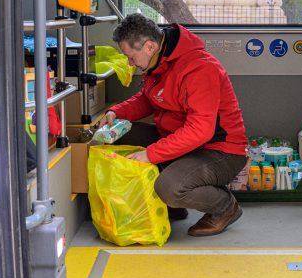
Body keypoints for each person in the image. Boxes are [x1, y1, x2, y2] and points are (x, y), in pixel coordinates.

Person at [104, 13, 247, 237]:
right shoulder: (158, 62)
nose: (129, 63)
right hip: (182, 141)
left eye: (130, 57)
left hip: (219, 151)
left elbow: (200, 130)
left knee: (170, 188)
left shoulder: (199, 69)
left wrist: (151, 154)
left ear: (150, 46)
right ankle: (173, 208)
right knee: (117, 135)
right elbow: (147, 98)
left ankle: (225, 207)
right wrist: (117, 112)